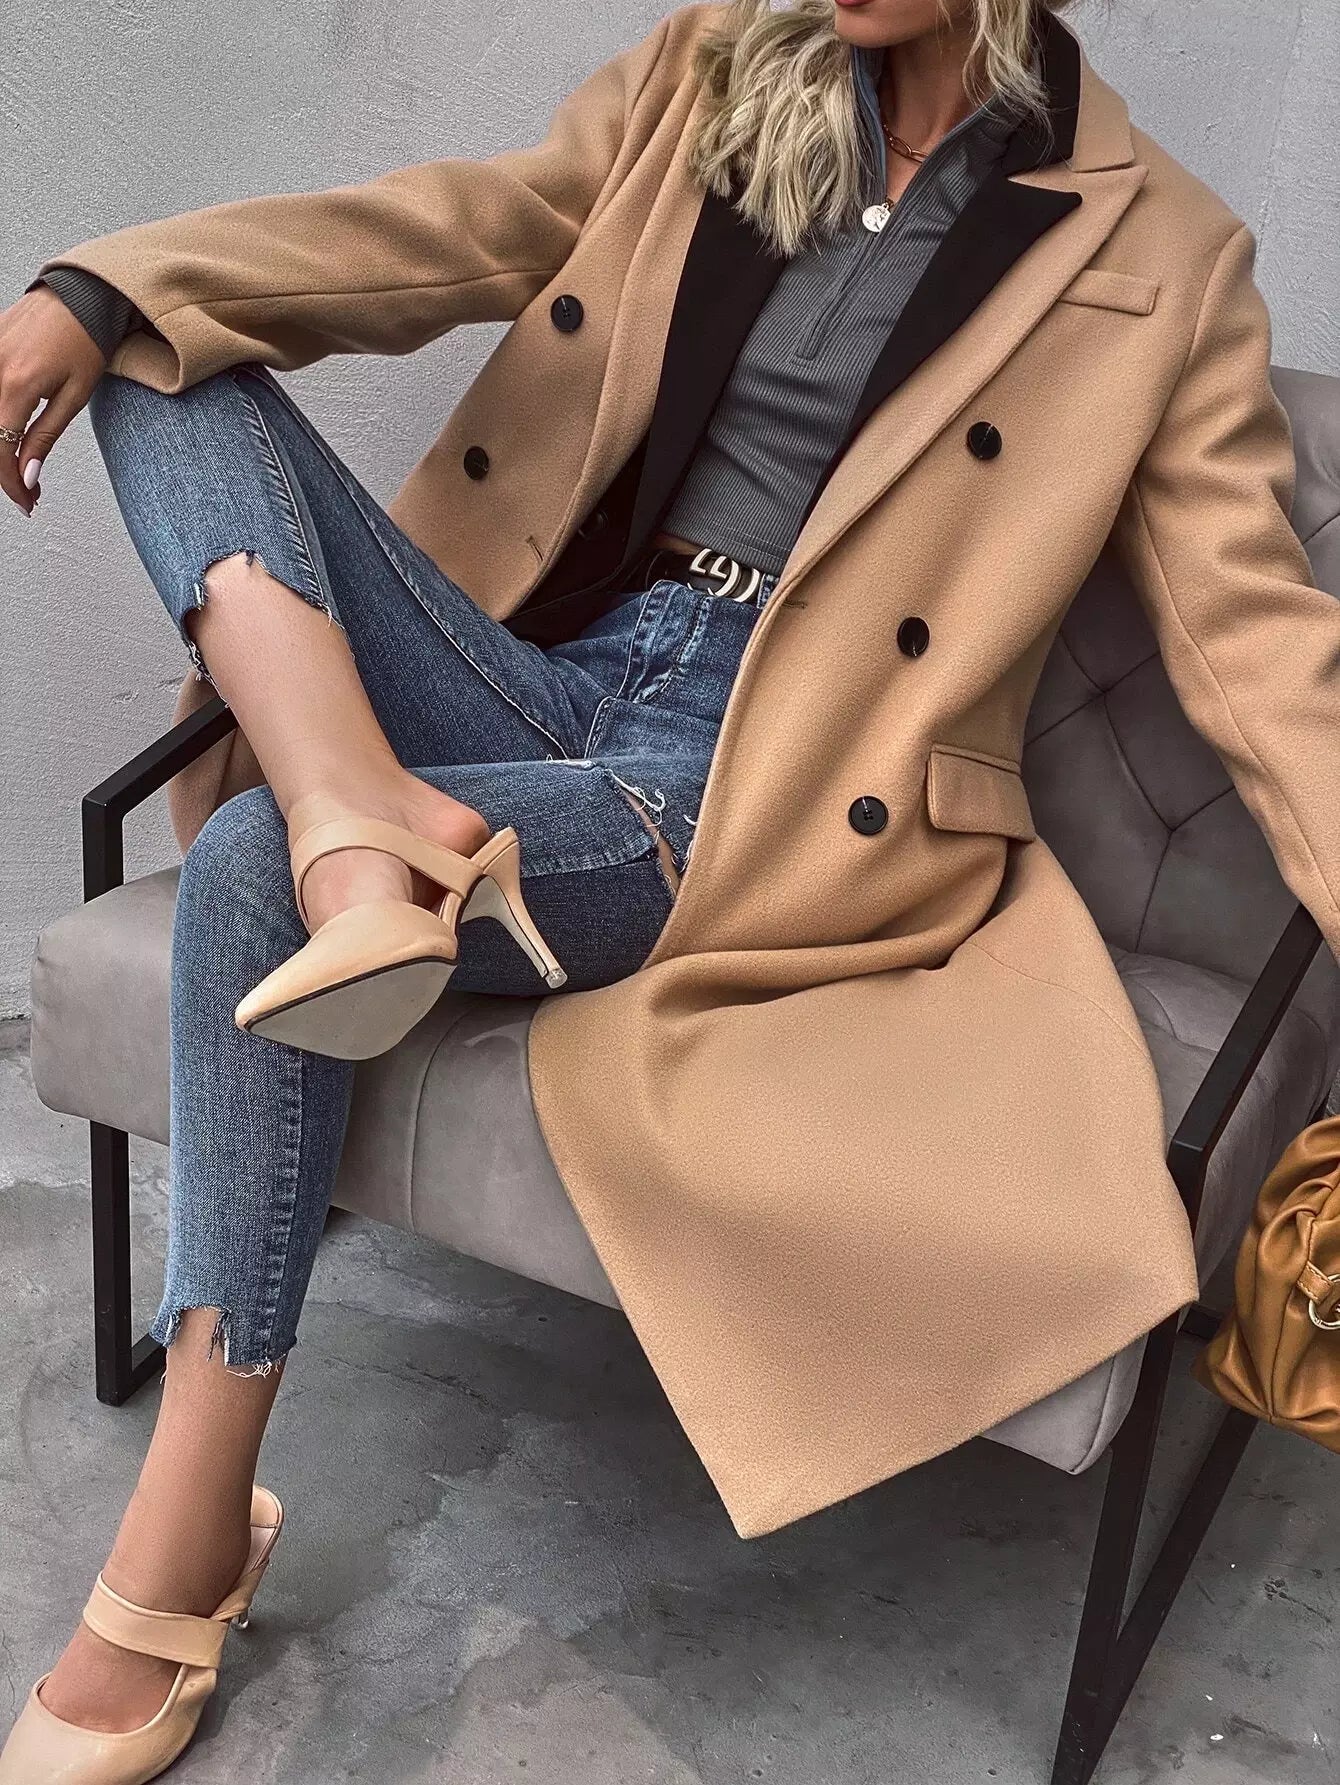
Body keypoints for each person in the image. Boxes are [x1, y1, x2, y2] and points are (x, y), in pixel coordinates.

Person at [4, 1, 1338, 1778]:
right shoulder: (719, 73)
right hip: (550, 669)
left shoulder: (1159, 250)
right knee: (164, 353)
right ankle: (349, 814)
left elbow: (1259, 646)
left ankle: (183, 1538)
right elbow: (451, 228)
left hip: (749, 788)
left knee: (245, 871)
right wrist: (94, 290)